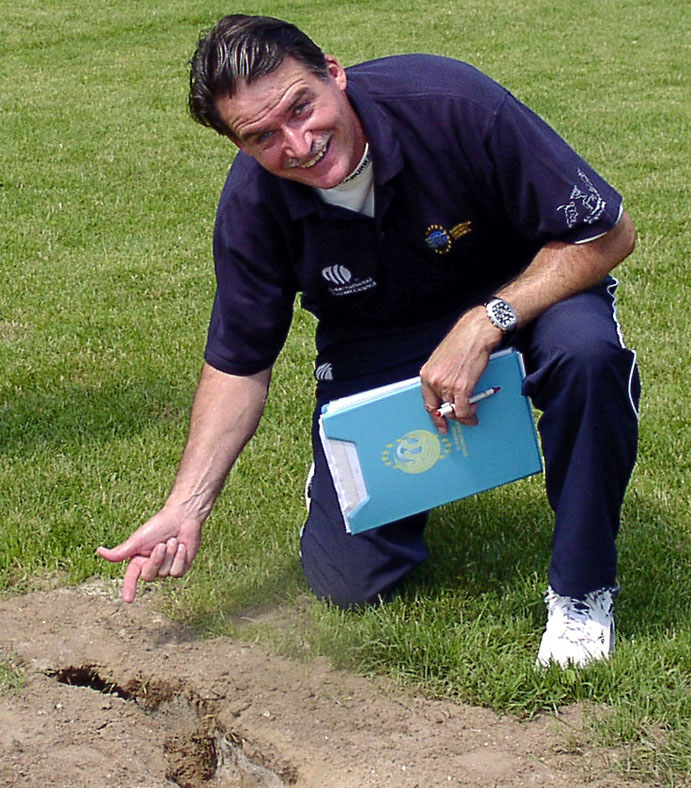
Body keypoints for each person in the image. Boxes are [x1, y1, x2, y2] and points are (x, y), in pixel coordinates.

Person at [98, 14, 640, 668]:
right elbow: (240, 365)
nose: (297, 144)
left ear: (333, 71)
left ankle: (583, 590)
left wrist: (487, 318)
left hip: (522, 298)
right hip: (376, 338)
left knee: (588, 353)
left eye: (302, 107)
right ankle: (342, 464)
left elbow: (607, 233)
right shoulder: (253, 205)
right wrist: (186, 506)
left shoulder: (452, 104)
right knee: (349, 585)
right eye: (261, 136)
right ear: (238, 146)